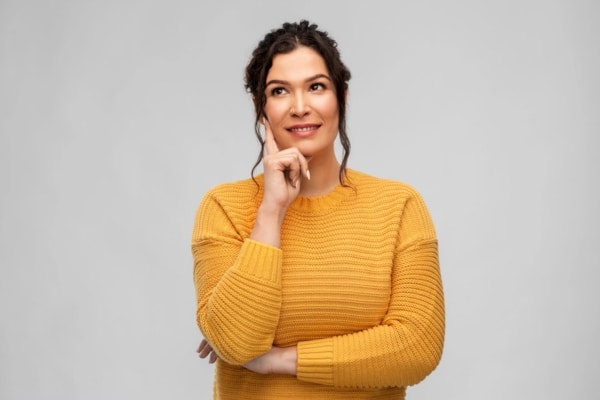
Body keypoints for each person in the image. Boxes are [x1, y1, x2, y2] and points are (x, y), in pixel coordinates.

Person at [191, 20, 444, 399]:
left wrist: (279, 359)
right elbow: (237, 342)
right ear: (260, 106)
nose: (300, 107)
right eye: (279, 91)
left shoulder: (399, 206)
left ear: (341, 96)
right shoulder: (224, 208)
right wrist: (271, 212)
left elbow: (417, 348)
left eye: (316, 87)